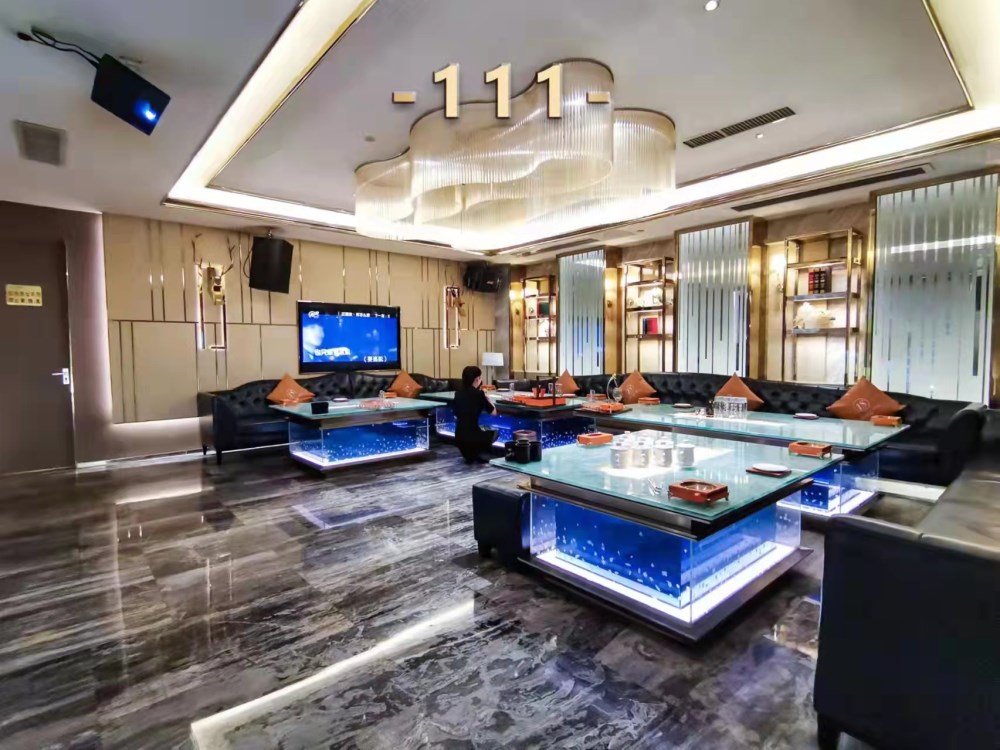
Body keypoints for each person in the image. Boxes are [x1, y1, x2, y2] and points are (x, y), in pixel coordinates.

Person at [452, 365, 499, 464]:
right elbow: (494, 412)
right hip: (474, 438)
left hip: (459, 437)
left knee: (473, 430)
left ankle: (472, 455)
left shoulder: (458, 393)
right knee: (495, 432)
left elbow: (456, 415)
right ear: (477, 379)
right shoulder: (479, 394)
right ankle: (480, 452)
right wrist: (489, 400)